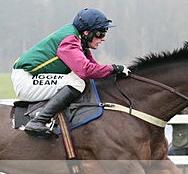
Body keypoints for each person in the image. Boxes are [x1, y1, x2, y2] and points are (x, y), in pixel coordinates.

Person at [12, 7, 130, 135]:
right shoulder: (70, 41)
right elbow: (86, 71)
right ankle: (38, 121)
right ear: (86, 32)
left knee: (80, 81)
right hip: (26, 80)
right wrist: (113, 68)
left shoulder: (79, 41)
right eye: (100, 33)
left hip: (32, 76)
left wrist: (115, 73)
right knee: (77, 82)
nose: (103, 38)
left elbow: (95, 69)